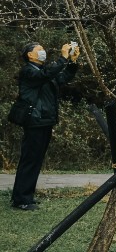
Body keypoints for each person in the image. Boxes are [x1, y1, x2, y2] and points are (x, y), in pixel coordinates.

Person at [11, 41, 80, 210]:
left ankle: (26, 196)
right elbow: (46, 75)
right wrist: (63, 58)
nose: (43, 51)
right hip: (34, 122)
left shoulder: (44, 71)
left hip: (45, 121)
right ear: (30, 55)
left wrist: (72, 61)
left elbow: (62, 78)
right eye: (39, 49)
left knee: (35, 160)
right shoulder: (28, 71)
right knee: (30, 160)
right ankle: (22, 200)